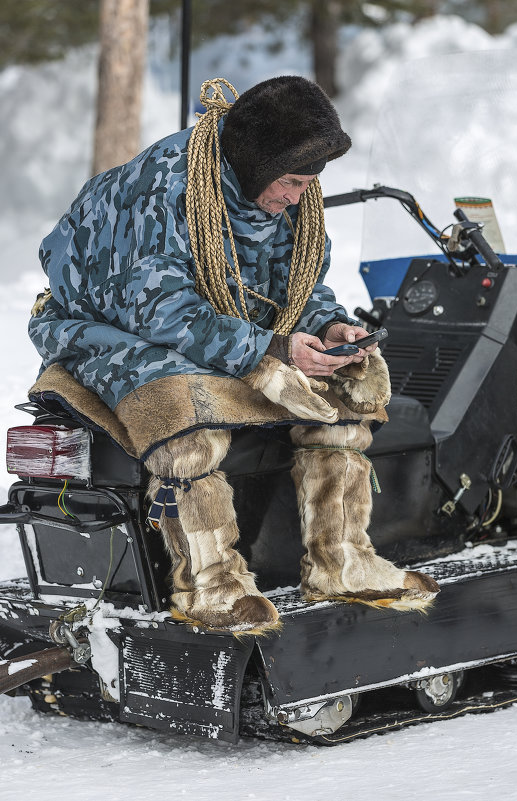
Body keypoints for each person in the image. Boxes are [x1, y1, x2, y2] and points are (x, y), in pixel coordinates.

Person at [29, 76, 439, 632]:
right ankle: (211, 585)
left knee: (338, 404)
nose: (298, 195)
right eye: (291, 181)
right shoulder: (167, 186)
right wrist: (270, 349)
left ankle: (342, 562)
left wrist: (327, 325)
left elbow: (298, 284)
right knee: (185, 417)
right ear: (254, 160)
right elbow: (159, 309)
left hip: (216, 330)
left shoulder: (287, 195)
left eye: (307, 183)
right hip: (109, 329)